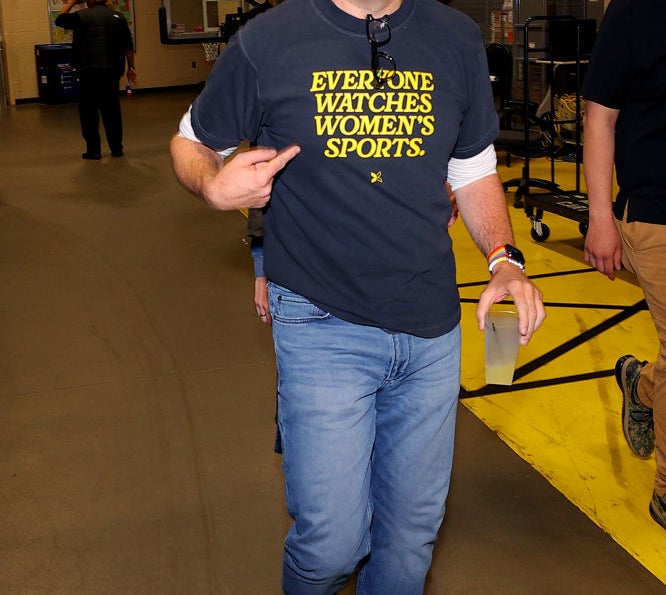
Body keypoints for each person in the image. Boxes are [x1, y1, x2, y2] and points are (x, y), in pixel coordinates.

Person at [170, 0, 546, 591]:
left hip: (430, 328)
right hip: (321, 322)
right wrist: (213, 185)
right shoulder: (269, 40)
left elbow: (473, 167)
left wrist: (504, 259)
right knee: (330, 545)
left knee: (411, 535)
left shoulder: (455, 38)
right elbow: (191, 141)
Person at [582, 0, 666, 531]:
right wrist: (600, 215)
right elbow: (599, 115)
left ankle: (641, 385)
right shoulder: (636, 11)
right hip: (656, 211)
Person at [56, 0, 136, 159]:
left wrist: (72, 2)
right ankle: (116, 149)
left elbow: (59, 20)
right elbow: (128, 46)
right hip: (111, 71)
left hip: (88, 71)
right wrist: (131, 68)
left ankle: (93, 150)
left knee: (89, 112)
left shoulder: (81, 16)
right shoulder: (118, 17)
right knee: (112, 111)